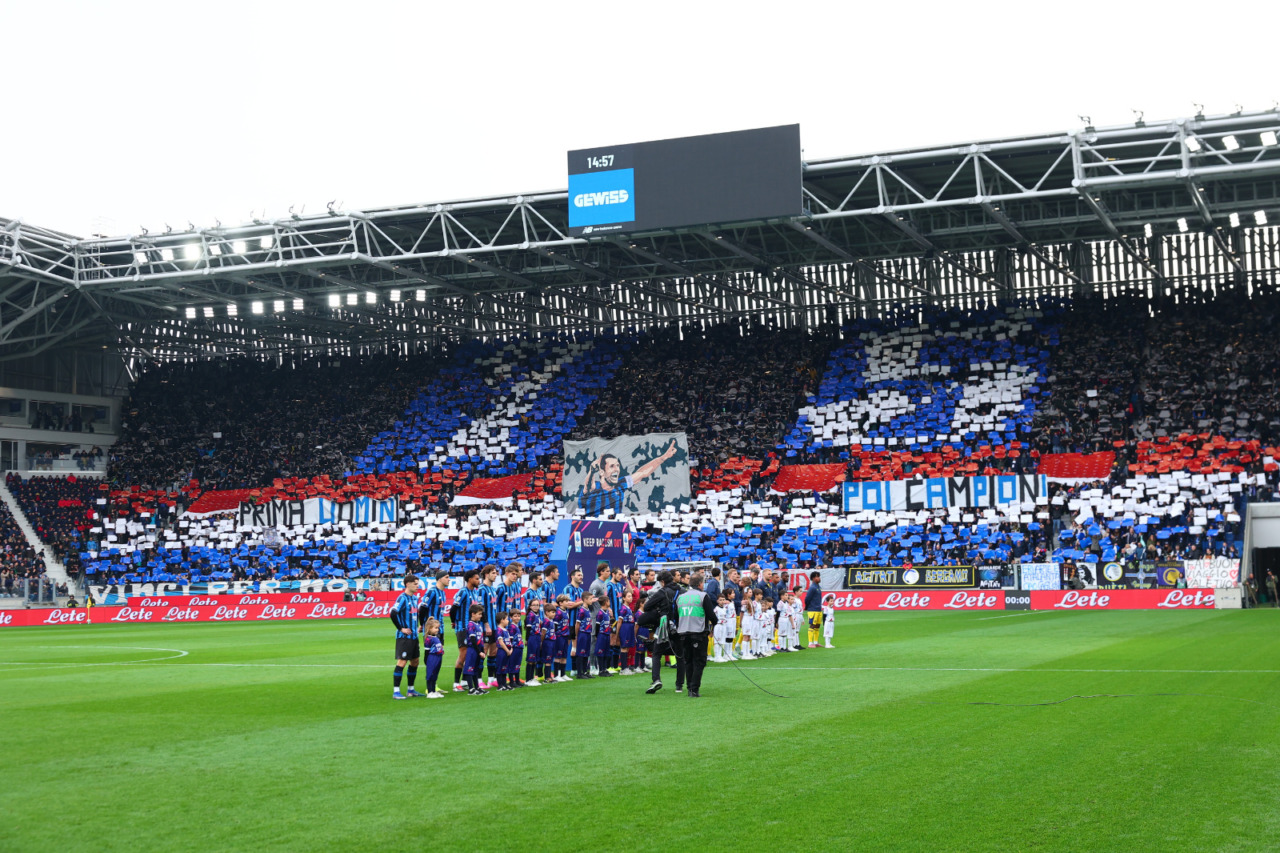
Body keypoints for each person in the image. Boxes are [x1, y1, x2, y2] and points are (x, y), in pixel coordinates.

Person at [576, 440, 678, 515]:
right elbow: (588, 485)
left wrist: (663, 458)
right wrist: (592, 471)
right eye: (612, 466)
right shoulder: (594, 487)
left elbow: (642, 472)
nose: (616, 469)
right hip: (591, 531)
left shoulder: (621, 484)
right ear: (602, 472)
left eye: (617, 465)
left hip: (613, 530)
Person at [674, 571, 718, 698]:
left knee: (688, 661)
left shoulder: (681, 597)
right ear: (700, 584)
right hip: (698, 632)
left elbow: (675, 616)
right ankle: (694, 688)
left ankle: (689, 687)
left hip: (683, 633)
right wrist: (714, 624)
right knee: (699, 661)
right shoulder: (703, 596)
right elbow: (711, 615)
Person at [639, 570, 680, 694]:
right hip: (679, 625)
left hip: (664, 625)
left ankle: (656, 679)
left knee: (656, 653)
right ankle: (680, 685)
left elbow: (646, 607)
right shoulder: (681, 591)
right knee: (680, 655)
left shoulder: (662, 592)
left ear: (662, 582)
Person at [390, 574, 424, 699]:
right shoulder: (402, 598)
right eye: (415, 584)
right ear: (407, 584)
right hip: (404, 638)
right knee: (402, 662)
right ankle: (396, 691)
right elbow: (393, 612)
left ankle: (411, 690)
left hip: (414, 636)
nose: (417, 586)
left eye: (417, 583)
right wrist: (401, 629)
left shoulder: (415, 599)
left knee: (415, 661)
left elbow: (416, 614)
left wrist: (419, 626)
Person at [450, 569, 482, 692]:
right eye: (476, 578)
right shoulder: (463, 592)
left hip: (472, 628)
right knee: (463, 655)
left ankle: (464, 682)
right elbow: (453, 608)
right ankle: (456, 683)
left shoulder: (474, 592)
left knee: (470, 654)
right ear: (470, 579)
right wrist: (454, 622)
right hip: (463, 628)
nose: (478, 581)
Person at [463, 604, 487, 695]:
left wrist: (482, 650)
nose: (481, 616)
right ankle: (471, 689)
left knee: (475, 669)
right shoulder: (470, 624)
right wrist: (479, 651)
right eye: (479, 614)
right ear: (473, 614)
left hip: (478, 649)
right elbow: (473, 640)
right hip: (472, 650)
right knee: (469, 668)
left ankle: (477, 687)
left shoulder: (478, 625)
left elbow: (480, 639)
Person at [574, 593, 597, 679]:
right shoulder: (582, 610)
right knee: (581, 653)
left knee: (586, 653)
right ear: (585, 599)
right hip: (582, 633)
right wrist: (577, 635)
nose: (592, 601)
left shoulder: (588, 610)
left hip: (588, 633)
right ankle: (579, 673)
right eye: (590, 599)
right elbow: (577, 623)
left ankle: (585, 671)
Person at [422, 618, 446, 698]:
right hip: (432, 657)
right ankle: (429, 692)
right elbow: (427, 651)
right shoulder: (428, 639)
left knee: (435, 674)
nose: (437, 630)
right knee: (430, 674)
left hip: (438, 657)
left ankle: (434, 691)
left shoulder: (436, 637)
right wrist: (426, 661)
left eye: (438, 628)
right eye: (435, 628)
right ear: (429, 628)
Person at [524, 598, 545, 686]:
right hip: (532, 638)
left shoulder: (537, 615)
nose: (536, 607)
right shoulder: (530, 615)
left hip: (537, 637)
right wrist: (527, 639)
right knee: (531, 659)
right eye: (534, 605)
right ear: (530, 606)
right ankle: (528, 679)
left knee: (534, 659)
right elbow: (528, 629)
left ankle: (532, 678)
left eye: (537, 605)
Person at [594, 596, 616, 677]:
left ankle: (605, 669)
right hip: (602, 634)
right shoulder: (600, 613)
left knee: (606, 652)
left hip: (607, 634)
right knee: (601, 652)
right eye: (609, 601)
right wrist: (597, 635)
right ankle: (601, 670)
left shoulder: (607, 612)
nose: (609, 602)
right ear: (606, 602)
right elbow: (597, 625)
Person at [617, 589, 638, 674]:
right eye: (628, 596)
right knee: (624, 648)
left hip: (630, 627)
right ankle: (623, 668)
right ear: (624, 598)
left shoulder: (629, 608)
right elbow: (619, 622)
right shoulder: (623, 608)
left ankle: (626, 667)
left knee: (628, 647)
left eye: (631, 596)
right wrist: (618, 634)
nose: (631, 598)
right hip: (625, 628)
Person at [804, 571, 824, 649]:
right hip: (813, 609)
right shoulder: (812, 587)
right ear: (813, 578)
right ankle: (810, 642)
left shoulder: (818, 587)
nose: (819, 578)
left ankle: (816, 642)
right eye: (817, 576)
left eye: (819, 576)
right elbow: (807, 598)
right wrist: (808, 607)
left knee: (817, 625)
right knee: (812, 625)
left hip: (818, 609)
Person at [494, 613, 514, 691]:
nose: (508, 620)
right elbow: (501, 642)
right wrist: (507, 650)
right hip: (502, 651)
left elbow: (509, 641)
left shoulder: (506, 630)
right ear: (502, 620)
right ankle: (500, 685)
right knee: (500, 667)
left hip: (507, 651)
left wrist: (511, 649)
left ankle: (505, 684)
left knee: (505, 668)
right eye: (506, 619)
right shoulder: (499, 630)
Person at [507, 609, 525, 688]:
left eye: (518, 616)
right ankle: (512, 681)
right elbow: (510, 639)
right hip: (514, 648)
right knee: (512, 665)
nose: (517, 618)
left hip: (519, 647)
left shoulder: (517, 626)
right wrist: (510, 648)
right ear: (511, 617)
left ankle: (517, 680)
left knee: (518, 664)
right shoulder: (511, 627)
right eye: (515, 616)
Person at [712, 593, 731, 662]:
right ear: (717, 601)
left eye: (723, 600)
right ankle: (717, 656)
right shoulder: (716, 609)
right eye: (720, 600)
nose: (722, 601)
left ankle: (720, 655)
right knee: (718, 641)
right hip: (718, 625)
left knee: (722, 641)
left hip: (723, 626)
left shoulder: (725, 609)